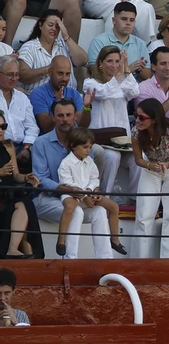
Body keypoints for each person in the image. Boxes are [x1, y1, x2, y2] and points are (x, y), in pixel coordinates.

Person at [33, 99, 118, 258]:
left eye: (68, 115)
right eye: (60, 115)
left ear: (75, 117)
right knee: (76, 212)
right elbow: (40, 179)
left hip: (78, 197)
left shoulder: (85, 143)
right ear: (53, 117)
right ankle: (70, 261)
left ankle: (106, 259)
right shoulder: (41, 143)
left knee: (100, 210)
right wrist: (65, 189)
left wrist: (94, 191)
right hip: (46, 198)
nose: (64, 119)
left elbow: (91, 175)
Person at [54, 127, 128, 258]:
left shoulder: (90, 162)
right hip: (72, 196)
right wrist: (83, 196)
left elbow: (95, 178)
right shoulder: (65, 163)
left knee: (103, 210)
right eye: (85, 147)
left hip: (87, 194)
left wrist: (90, 191)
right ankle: (66, 250)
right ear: (73, 146)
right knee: (75, 211)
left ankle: (106, 256)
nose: (88, 150)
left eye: (90, 147)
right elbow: (68, 184)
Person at [129, 96, 169, 257]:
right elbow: (138, 159)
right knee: (143, 215)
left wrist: (167, 165)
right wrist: (150, 165)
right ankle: (139, 260)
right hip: (151, 168)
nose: (137, 120)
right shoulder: (135, 132)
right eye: (136, 115)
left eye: (141, 117)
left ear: (154, 119)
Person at [81, 47, 139, 198]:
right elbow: (105, 92)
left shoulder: (121, 82)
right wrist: (119, 75)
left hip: (122, 141)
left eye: (117, 61)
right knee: (113, 156)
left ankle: (135, 199)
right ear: (100, 63)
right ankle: (104, 196)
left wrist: (126, 70)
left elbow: (134, 92)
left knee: (139, 157)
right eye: (110, 61)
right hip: (100, 140)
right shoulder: (90, 83)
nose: (114, 65)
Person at [0, 123, 41, 258]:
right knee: (23, 203)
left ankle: (13, 249)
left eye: (3, 126)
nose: (1, 130)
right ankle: (28, 253)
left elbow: (16, 175)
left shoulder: (8, 146)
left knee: (25, 203)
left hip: (7, 194)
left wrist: (26, 177)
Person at [16, 11, 87, 87]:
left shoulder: (64, 44)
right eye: (50, 25)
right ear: (40, 25)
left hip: (69, 95)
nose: (54, 29)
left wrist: (66, 37)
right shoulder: (29, 47)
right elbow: (22, 75)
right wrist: (49, 69)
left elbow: (82, 61)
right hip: (41, 96)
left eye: (57, 27)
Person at [88, 1, 154, 80]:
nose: (128, 23)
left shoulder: (140, 43)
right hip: (108, 90)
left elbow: (147, 76)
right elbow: (95, 72)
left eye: (132, 20)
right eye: (124, 19)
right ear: (113, 20)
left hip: (135, 90)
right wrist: (128, 69)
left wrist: (139, 69)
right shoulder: (99, 42)